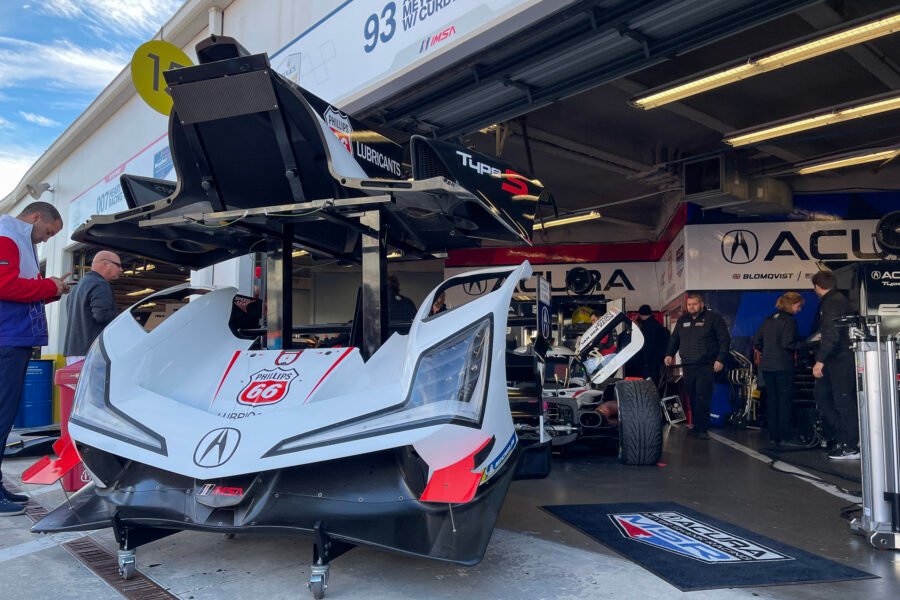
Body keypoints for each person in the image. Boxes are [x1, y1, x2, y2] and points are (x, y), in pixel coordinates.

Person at [0, 202, 68, 515]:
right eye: (48, 232)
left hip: (14, 339)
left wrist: (52, 289)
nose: (46, 239)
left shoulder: (18, 240)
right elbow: (4, 285)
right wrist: (48, 285)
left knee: (5, 414)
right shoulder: (7, 235)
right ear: (36, 216)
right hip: (7, 340)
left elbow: (20, 287)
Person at [665, 292, 731, 440]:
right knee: (692, 396)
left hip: (706, 364)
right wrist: (669, 354)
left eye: (694, 304)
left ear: (701, 304)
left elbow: (724, 340)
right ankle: (696, 426)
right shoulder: (683, 320)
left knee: (703, 396)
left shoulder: (713, 318)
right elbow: (674, 339)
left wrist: (720, 359)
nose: (691, 307)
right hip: (688, 364)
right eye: (689, 304)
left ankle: (702, 429)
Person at [811, 270, 858, 460]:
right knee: (823, 397)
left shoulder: (832, 302)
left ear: (816, 287)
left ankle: (850, 445)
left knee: (843, 402)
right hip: (836, 358)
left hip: (839, 359)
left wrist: (819, 361)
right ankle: (843, 438)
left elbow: (831, 335)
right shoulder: (837, 299)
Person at [752, 292, 805, 447]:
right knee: (784, 402)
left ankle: (774, 435)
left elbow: (757, 341)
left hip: (767, 366)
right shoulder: (789, 321)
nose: (799, 309)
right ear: (790, 304)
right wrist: (807, 345)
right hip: (782, 366)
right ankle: (786, 436)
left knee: (772, 401)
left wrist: (768, 351)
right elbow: (789, 343)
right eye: (798, 305)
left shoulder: (769, 319)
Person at [63, 250, 122, 361]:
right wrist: (122, 321)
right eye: (118, 265)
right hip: (92, 352)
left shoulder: (77, 287)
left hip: (73, 351)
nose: (121, 269)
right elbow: (102, 315)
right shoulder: (100, 284)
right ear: (105, 264)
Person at [635, 304, 669, 387]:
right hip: (658, 363)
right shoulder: (659, 326)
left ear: (640, 315)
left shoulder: (644, 328)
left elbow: (645, 347)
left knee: (647, 388)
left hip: (647, 364)